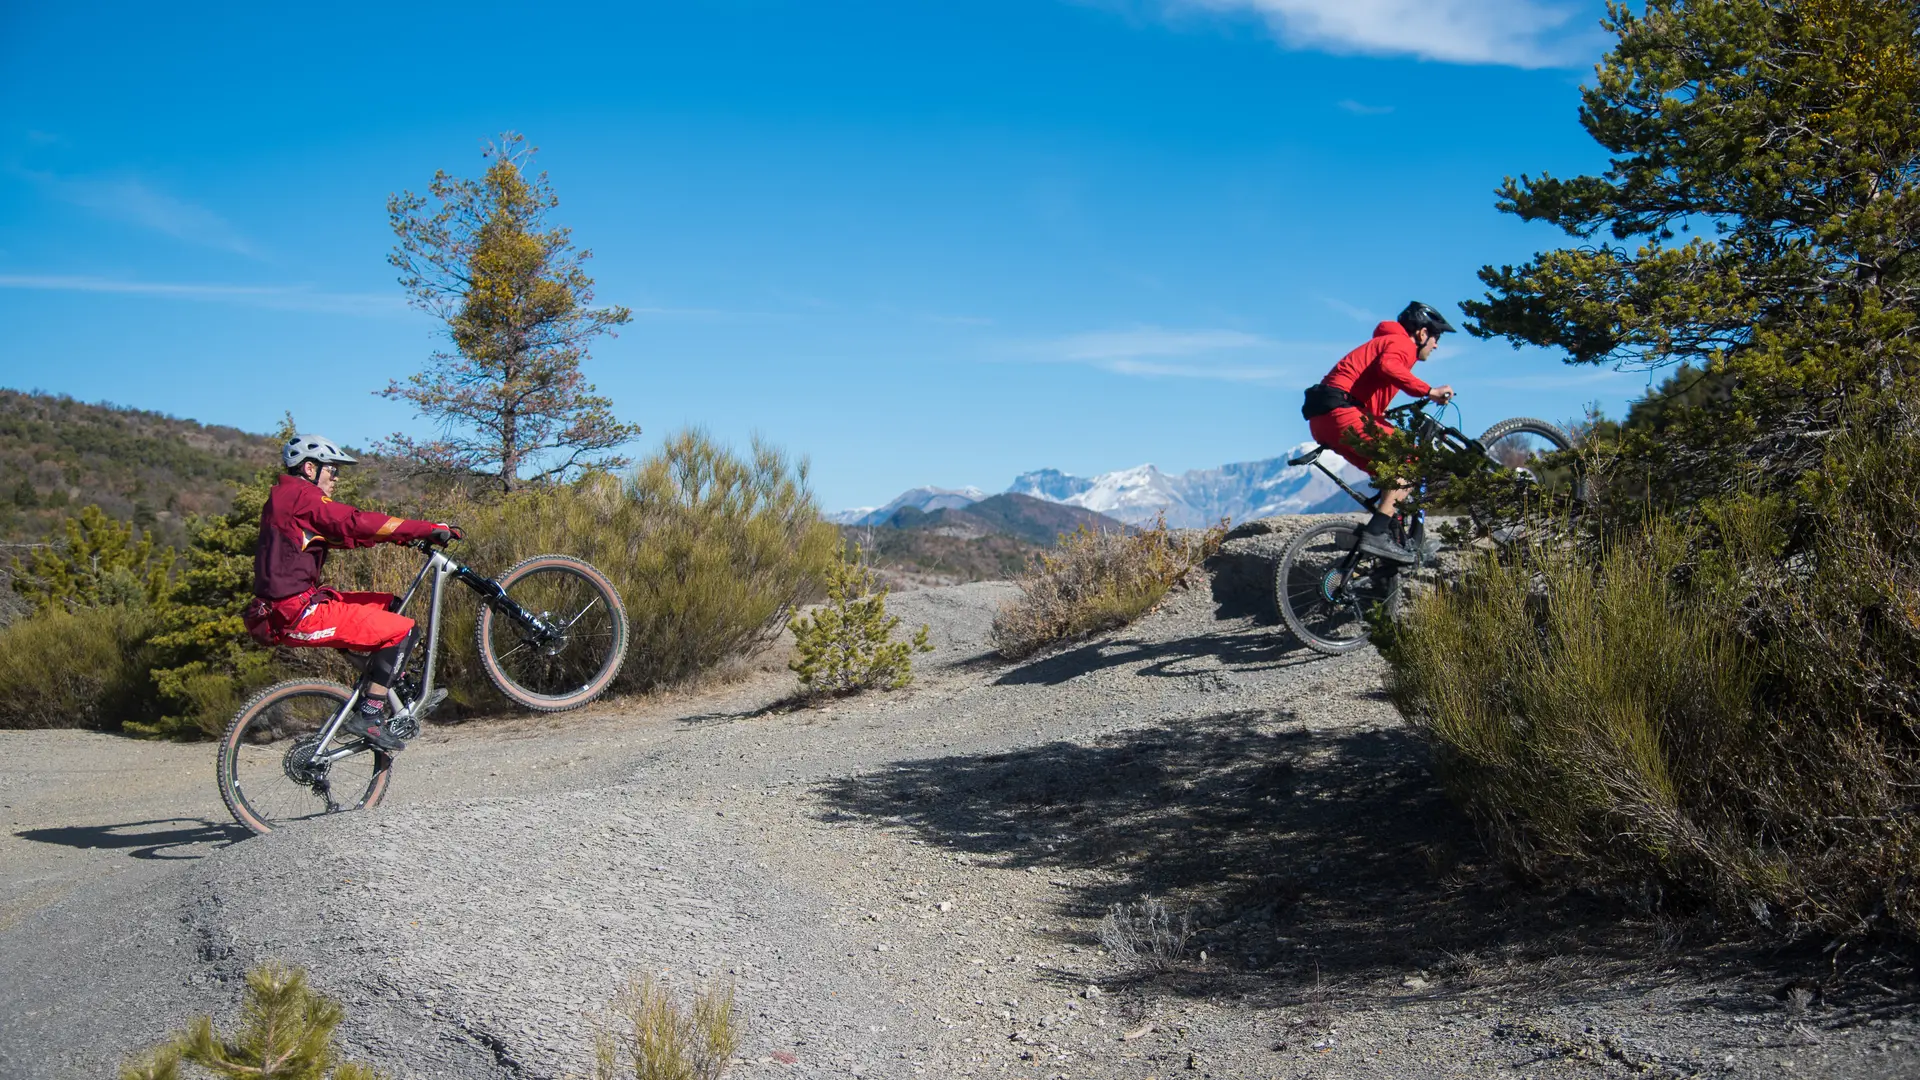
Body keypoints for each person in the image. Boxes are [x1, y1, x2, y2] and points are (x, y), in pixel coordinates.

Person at [243, 434, 460, 751]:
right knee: (402, 631)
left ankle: (393, 689)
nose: (336, 478)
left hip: (297, 604)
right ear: (309, 468)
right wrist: (425, 529)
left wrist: (401, 538)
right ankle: (369, 716)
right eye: (332, 470)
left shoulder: (285, 499)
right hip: (297, 613)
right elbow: (355, 523)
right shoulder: (303, 497)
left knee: (391, 606)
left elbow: (341, 536)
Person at [1300, 301, 1457, 563]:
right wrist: (1429, 391)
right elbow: (1389, 368)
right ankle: (1375, 533)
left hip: (1325, 420)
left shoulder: (1382, 344)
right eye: (1436, 337)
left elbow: (1371, 402)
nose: (1436, 345)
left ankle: (1393, 539)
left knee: (1389, 473)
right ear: (1422, 333)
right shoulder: (1401, 343)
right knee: (1412, 460)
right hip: (1341, 413)